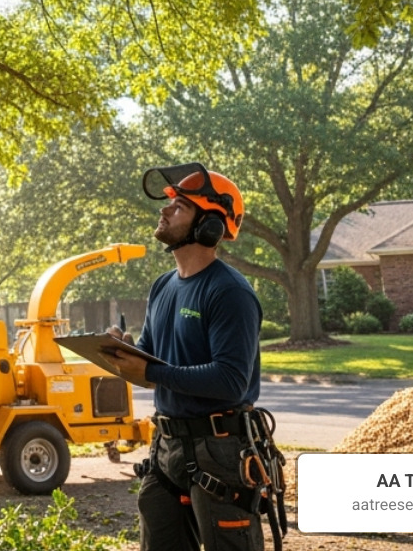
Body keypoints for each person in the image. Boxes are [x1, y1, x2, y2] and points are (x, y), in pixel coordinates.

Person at [104, 163, 284, 551]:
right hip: (167, 447)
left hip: (219, 451)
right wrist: (124, 353)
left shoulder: (228, 292)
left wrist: (152, 369)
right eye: (169, 204)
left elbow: (230, 380)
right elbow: (151, 366)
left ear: (210, 228)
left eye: (180, 206)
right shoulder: (163, 286)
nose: (165, 211)